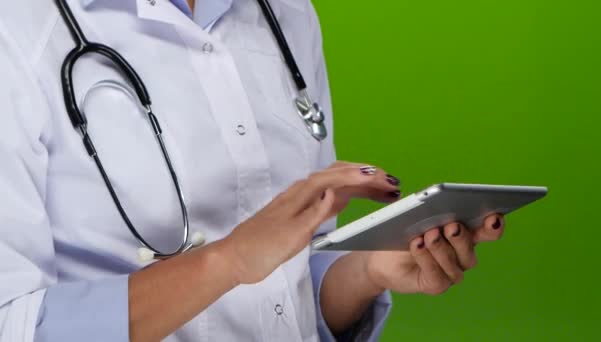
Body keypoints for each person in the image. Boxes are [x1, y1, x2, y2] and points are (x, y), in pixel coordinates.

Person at [0, 0, 506, 341]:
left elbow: (288, 277)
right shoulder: (17, 29)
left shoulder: (287, 14)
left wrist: (370, 270)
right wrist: (229, 261)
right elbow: (14, 323)